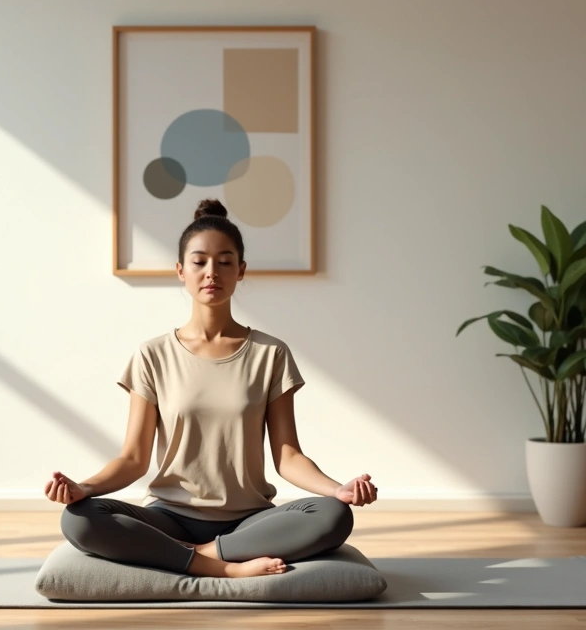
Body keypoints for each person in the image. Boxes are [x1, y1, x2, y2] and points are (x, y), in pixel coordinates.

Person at [46, 198, 378, 579]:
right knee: (79, 519)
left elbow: (288, 456)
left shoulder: (270, 353)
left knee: (333, 514)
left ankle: (195, 556)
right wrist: (83, 488)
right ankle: (224, 568)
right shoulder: (153, 354)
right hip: (169, 518)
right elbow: (134, 459)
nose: (211, 272)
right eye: (199, 261)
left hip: (250, 523)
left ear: (240, 271)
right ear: (180, 271)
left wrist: (339, 490)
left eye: (224, 261)